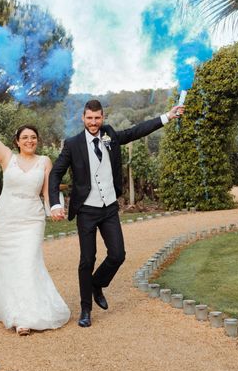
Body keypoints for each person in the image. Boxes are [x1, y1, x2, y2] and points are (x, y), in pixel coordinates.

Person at [48, 99, 183, 327]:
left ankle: (96, 284)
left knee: (118, 255)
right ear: (83, 118)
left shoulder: (110, 135)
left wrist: (166, 117)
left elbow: (136, 131)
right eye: (89, 118)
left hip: (109, 207)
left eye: (97, 118)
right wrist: (55, 204)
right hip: (86, 211)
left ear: (103, 117)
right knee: (87, 259)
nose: (93, 122)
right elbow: (55, 174)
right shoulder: (72, 144)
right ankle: (85, 310)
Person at [0, 99, 70, 335]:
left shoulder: (44, 162)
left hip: (32, 220)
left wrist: (55, 209)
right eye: (25, 137)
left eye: (33, 137)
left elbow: (48, 192)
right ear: (17, 142)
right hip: (6, 219)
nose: (30, 141)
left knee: (28, 263)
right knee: (9, 265)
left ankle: (25, 316)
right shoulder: (6, 158)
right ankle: (17, 314)